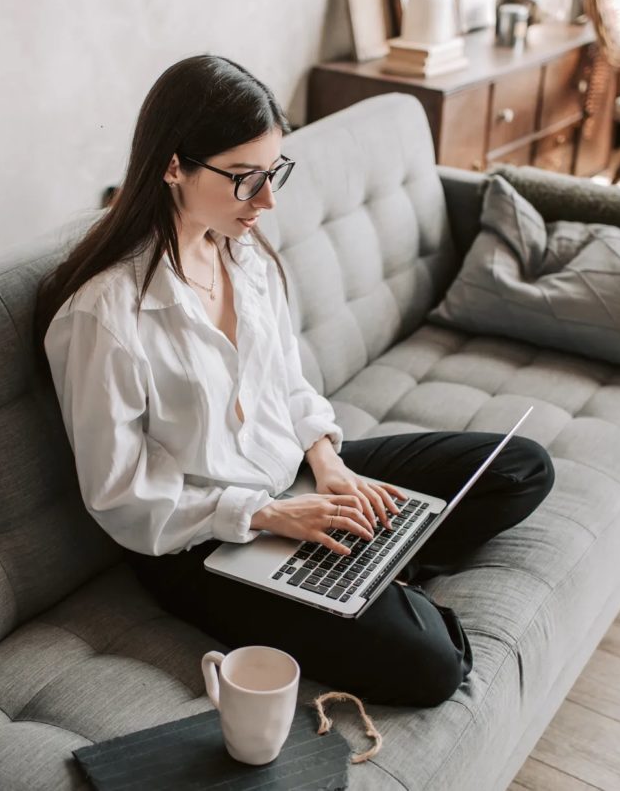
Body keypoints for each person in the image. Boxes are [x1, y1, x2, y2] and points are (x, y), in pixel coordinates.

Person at [34, 55, 554, 707]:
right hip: (203, 541)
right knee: (433, 666)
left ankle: (363, 563)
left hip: (295, 480)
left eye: (274, 172)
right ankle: (369, 572)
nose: (269, 200)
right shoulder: (104, 316)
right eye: (247, 178)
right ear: (174, 166)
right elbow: (121, 496)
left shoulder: (242, 252)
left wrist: (330, 464)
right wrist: (270, 515)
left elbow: (289, 382)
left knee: (521, 468)